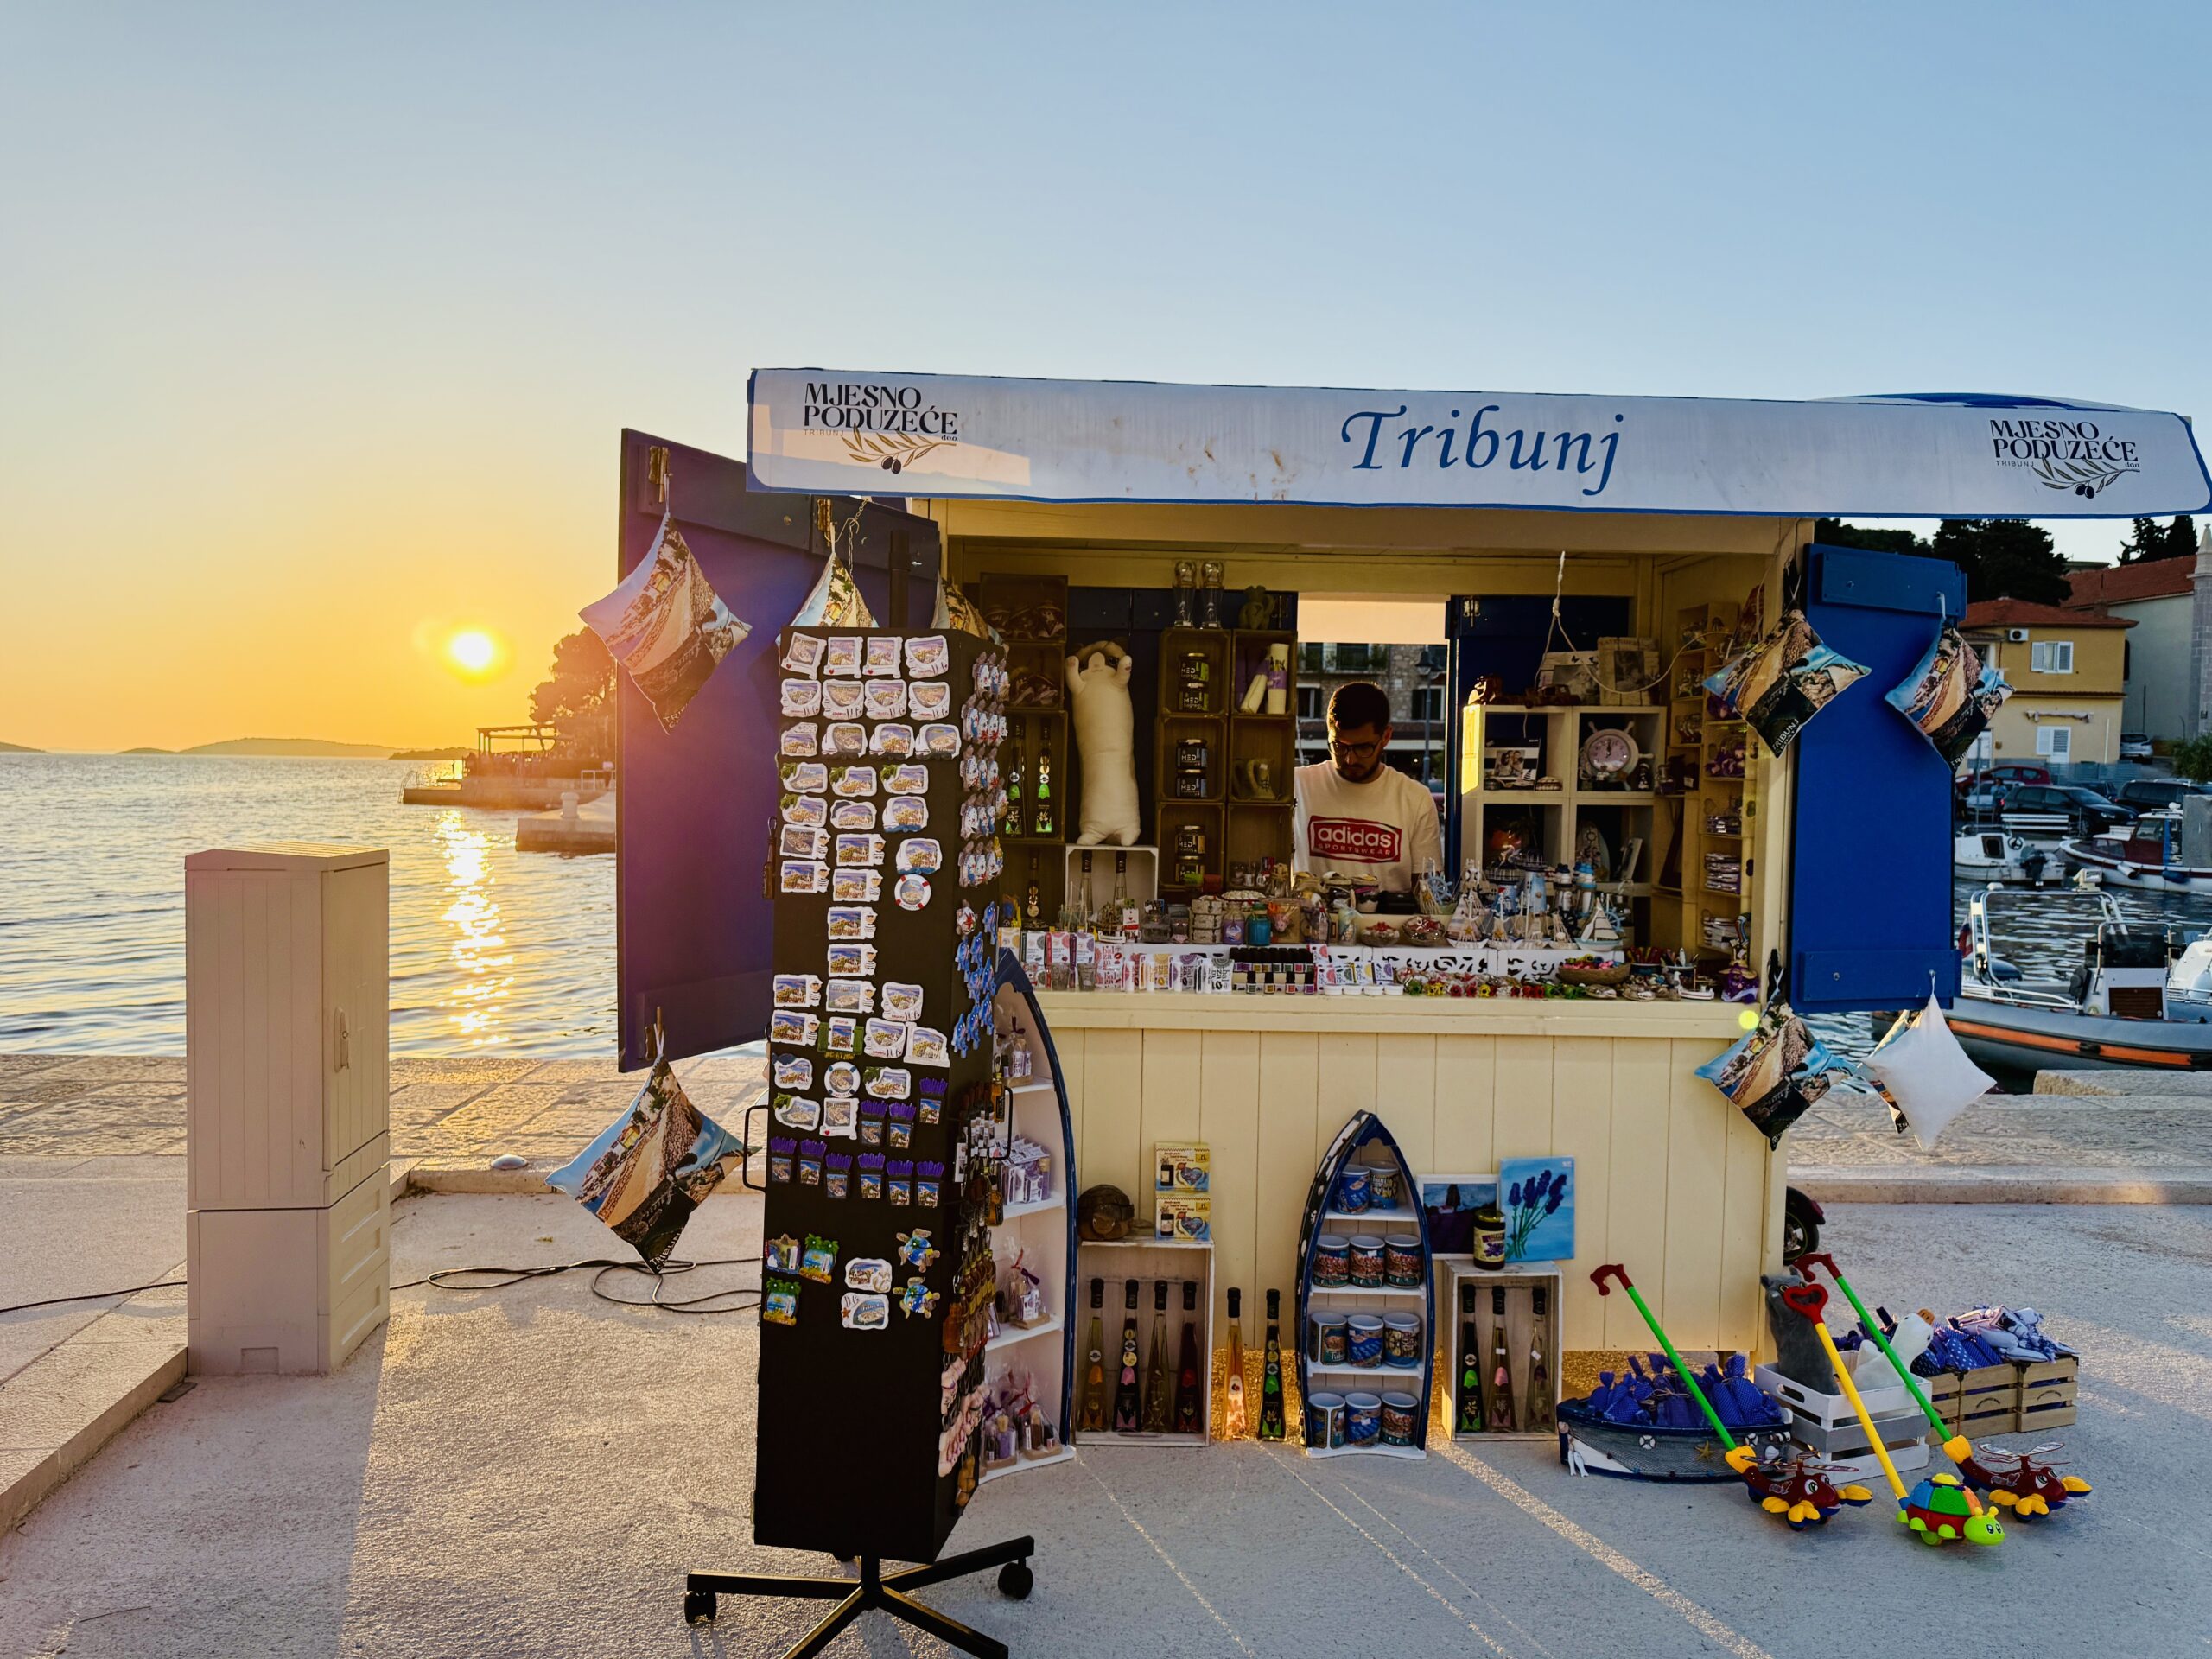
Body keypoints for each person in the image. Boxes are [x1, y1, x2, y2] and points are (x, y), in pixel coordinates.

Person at [1293, 681, 1443, 893]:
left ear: (1386, 736)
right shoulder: (1297, 785)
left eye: (1363, 748)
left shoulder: (1416, 798)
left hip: (1390, 915)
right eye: (1339, 746)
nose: (1350, 759)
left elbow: (1429, 893)